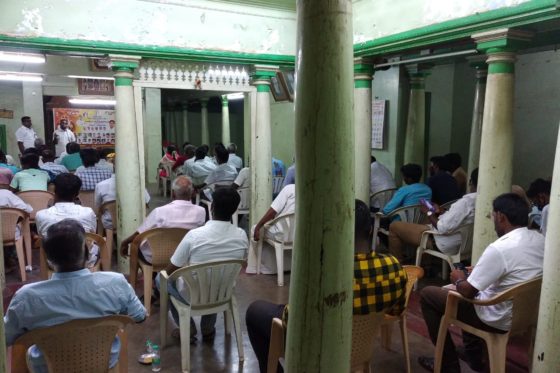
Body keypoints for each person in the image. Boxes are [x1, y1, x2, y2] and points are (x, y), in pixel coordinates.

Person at [246, 200, 407, 373]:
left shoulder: (324, 274)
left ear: (334, 232)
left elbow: (293, 318)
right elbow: (395, 311)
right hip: (360, 350)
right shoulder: (393, 266)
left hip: (316, 349)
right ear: (369, 231)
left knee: (255, 311)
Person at [418, 193, 544, 373]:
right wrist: (480, 270)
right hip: (527, 314)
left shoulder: (500, 248)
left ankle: (447, 365)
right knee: (470, 291)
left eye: (493, 216)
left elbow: (468, 292)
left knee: (429, 295)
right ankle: (475, 356)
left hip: (497, 318)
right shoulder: (540, 239)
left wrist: (458, 278)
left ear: (501, 217)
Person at [3, 219, 146, 373]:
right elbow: (139, 316)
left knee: (19, 346)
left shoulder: (26, 298)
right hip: (103, 362)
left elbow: (6, 336)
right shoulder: (115, 283)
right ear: (86, 252)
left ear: (47, 259)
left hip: (48, 368)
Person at [160, 187, 248, 341]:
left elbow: (170, 269)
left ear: (212, 207)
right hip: (223, 292)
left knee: (162, 279)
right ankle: (207, 327)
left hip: (193, 294)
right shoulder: (242, 235)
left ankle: (186, 326)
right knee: (215, 277)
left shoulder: (195, 235)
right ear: (234, 210)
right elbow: (242, 262)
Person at [388, 168, 478, 261]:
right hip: (465, 243)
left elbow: (443, 228)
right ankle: (425, 263)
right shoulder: (482, 202)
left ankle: (398, 265)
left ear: (470, 182)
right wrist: (443, 212)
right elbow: (458, 218)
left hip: (444, 243)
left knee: (394, 227)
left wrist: (428, 212)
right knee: (424, 222)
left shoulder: (465, 203)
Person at [120, 176, 205, 263]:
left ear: (173, 193)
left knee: (137, 247)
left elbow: (139, 234)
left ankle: (149, 274)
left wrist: (125, 242)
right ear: (192, 193)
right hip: (186, 257)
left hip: (159, 258)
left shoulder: (159, 212)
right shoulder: (201, 212)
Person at [36, 173, 98, 267]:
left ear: (54, 191)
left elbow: (42, 237)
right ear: (77, 193)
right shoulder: (88, 212)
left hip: (54, 263)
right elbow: (92, 234)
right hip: (85, 261)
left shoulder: (41, 215)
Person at [246, 183, 295, 274]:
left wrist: (258, 226)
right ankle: (286, 266)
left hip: (283, 234)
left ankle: (254, 267)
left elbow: (273, 212)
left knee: (255, 229)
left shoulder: (290, 189)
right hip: (301, 234)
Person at [94, 161, 151, 230]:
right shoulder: (137, 185)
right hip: (134, 221)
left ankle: (104, 237)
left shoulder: (101, 185)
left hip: (109, 223)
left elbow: (98, 207)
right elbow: (146, 202)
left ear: (113, 167)